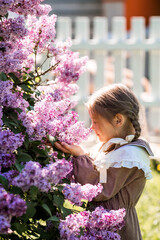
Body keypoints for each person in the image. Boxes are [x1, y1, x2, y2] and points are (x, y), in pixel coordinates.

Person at [55, 83, 153, 240]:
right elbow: (95, 171)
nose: (92, 127)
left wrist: (81, 157)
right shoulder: (111, 147)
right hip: (100, 223)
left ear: (118, 120)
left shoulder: (130, 155)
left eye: (95, 121)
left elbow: (101, 189)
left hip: (117, 227)